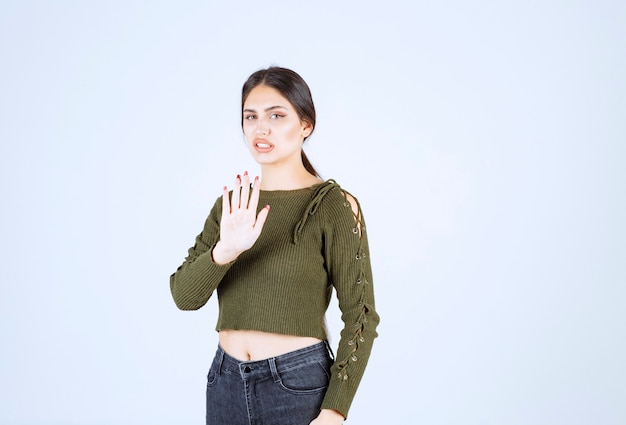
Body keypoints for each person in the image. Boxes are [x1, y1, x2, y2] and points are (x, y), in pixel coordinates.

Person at [170, 66, 379, 425]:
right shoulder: (231, 206)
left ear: (305, 125)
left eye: (276, 115)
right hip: (225, 382)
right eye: (250, 117)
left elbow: (361, 315)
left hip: (297, 385)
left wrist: (334, 411)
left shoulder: (334, 205)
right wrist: (227, 250)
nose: (260, 128)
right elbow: (185, 297)